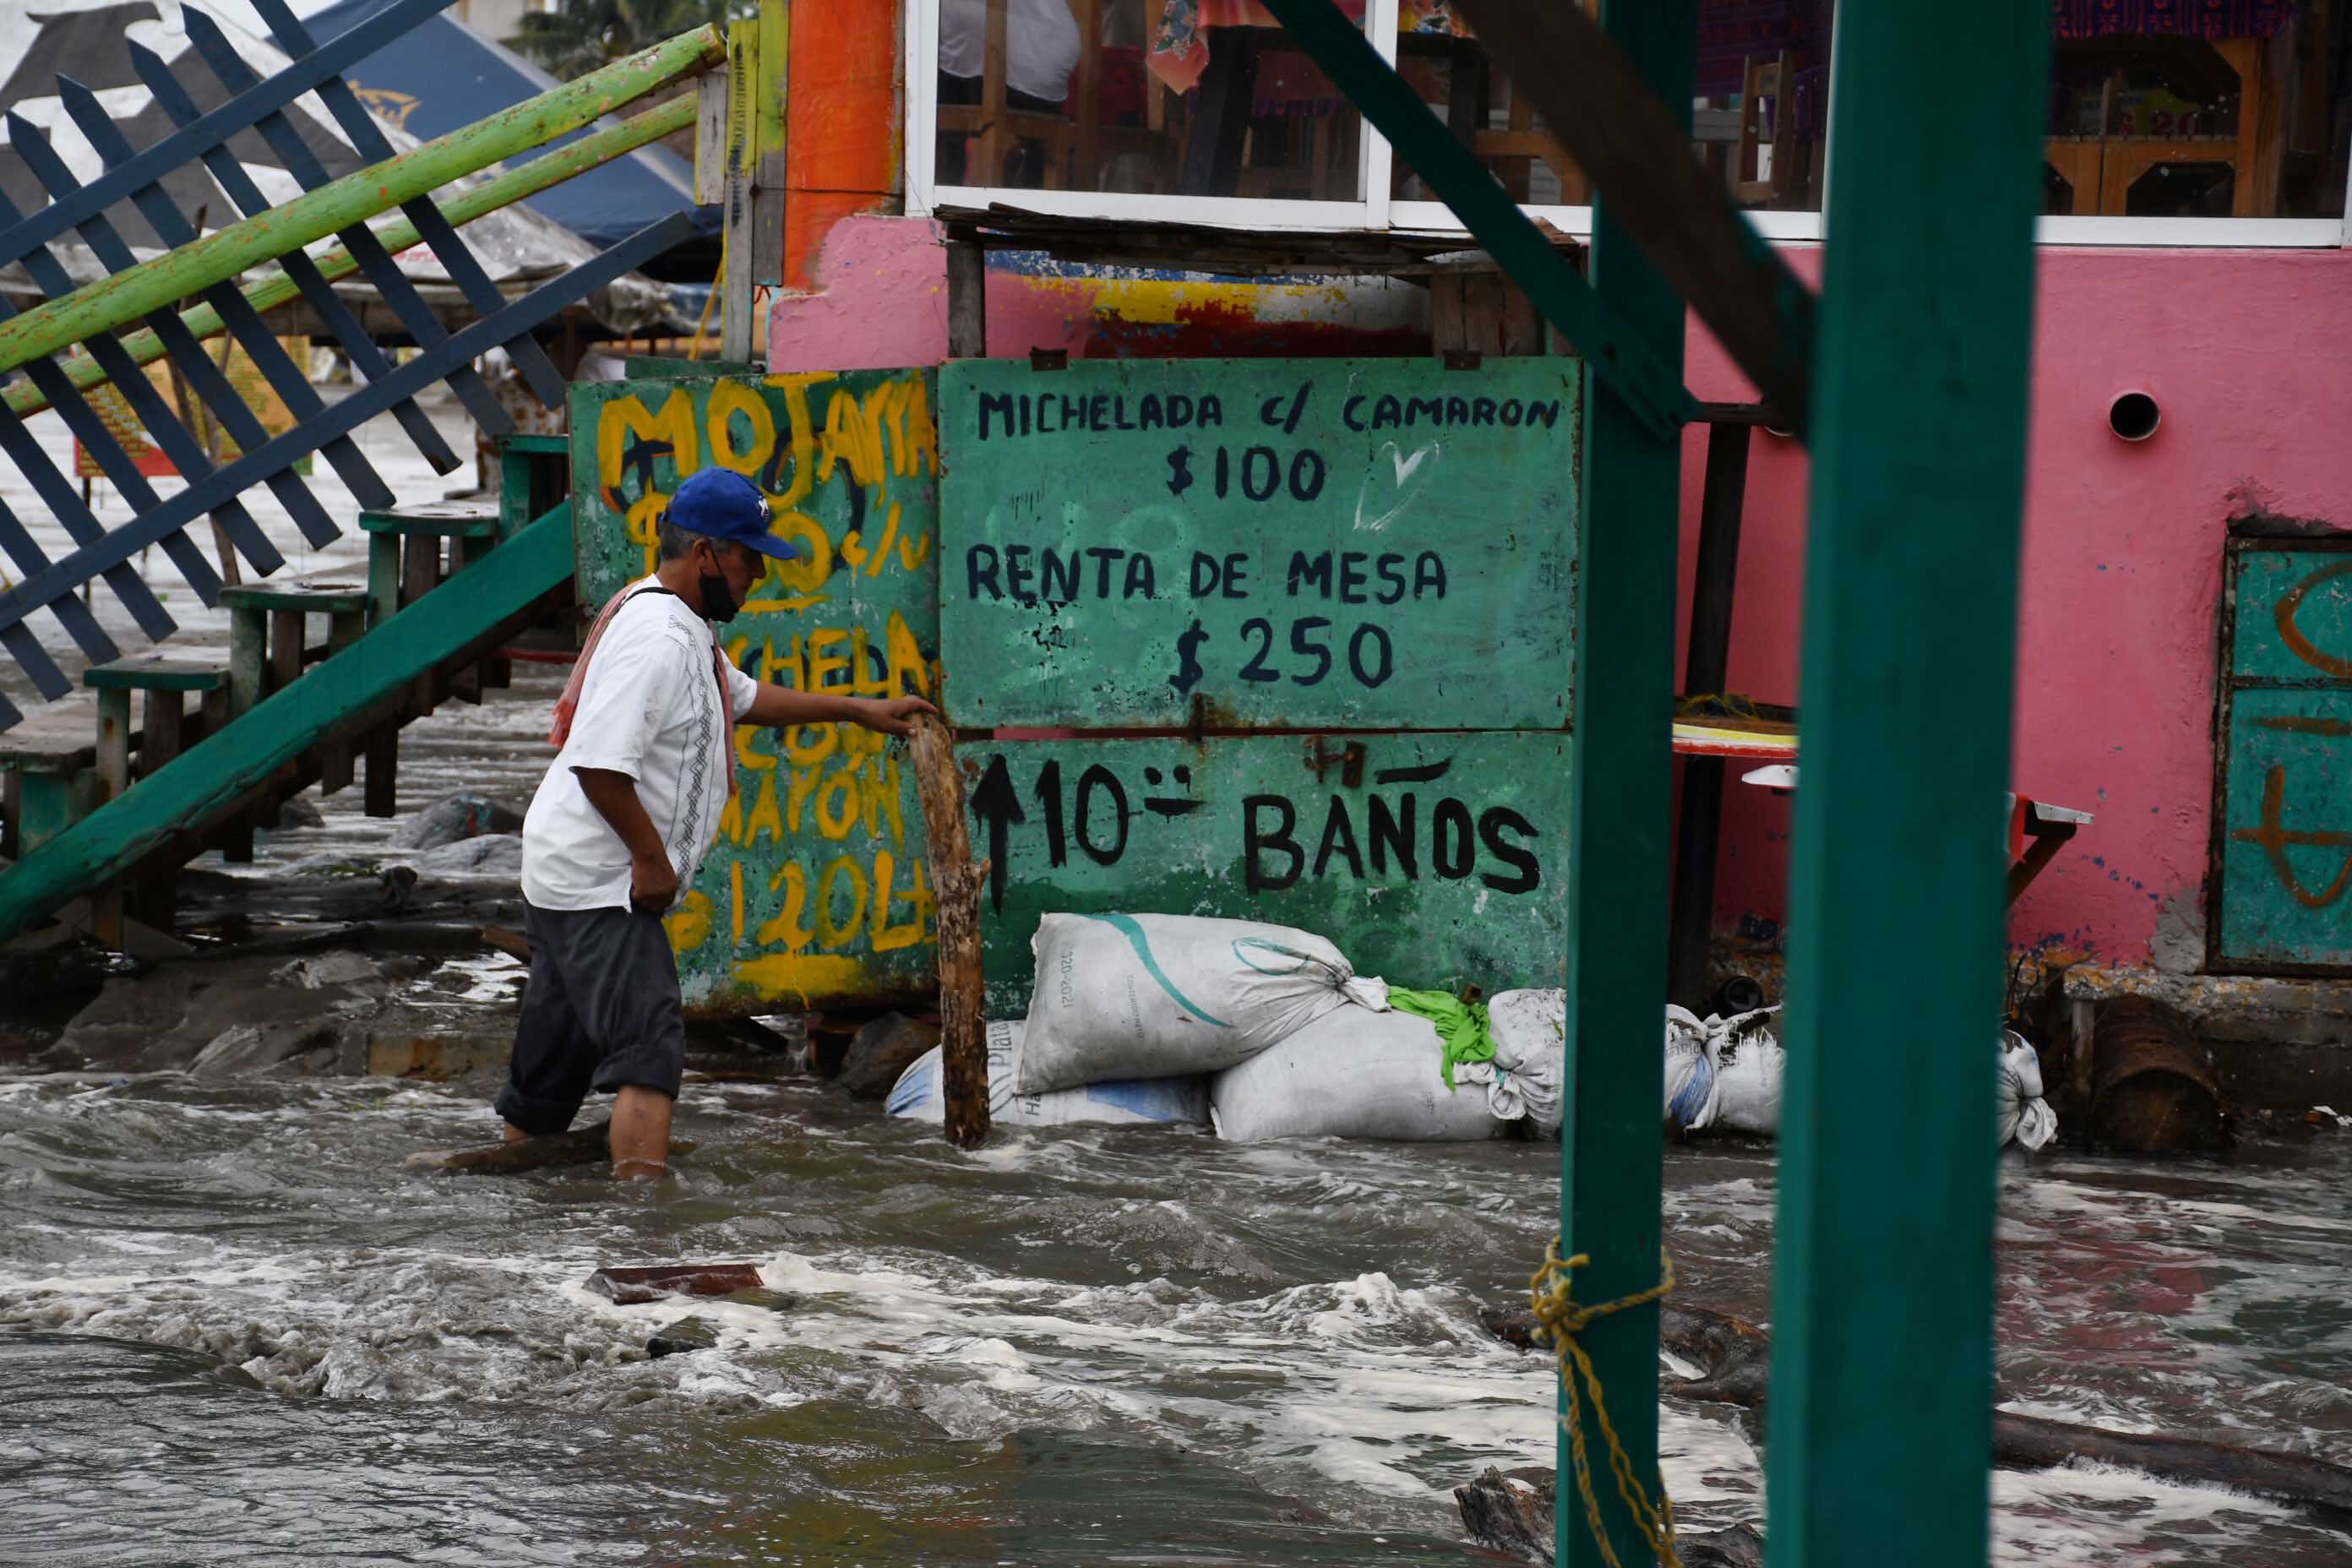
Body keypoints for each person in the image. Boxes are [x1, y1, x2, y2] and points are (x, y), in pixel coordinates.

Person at [496, 468, 936, 1179]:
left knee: (556, 1052)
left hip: (565, 870)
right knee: (649, 1051)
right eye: (749, 558)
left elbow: (743, 696)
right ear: (704, 554)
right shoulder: (660, 640)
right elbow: (599, 765)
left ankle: (509, 1187)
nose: (758, 575)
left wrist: (858, 710)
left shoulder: (679, 624)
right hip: (602, 882)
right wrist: (651, 862)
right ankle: (645, 1219)